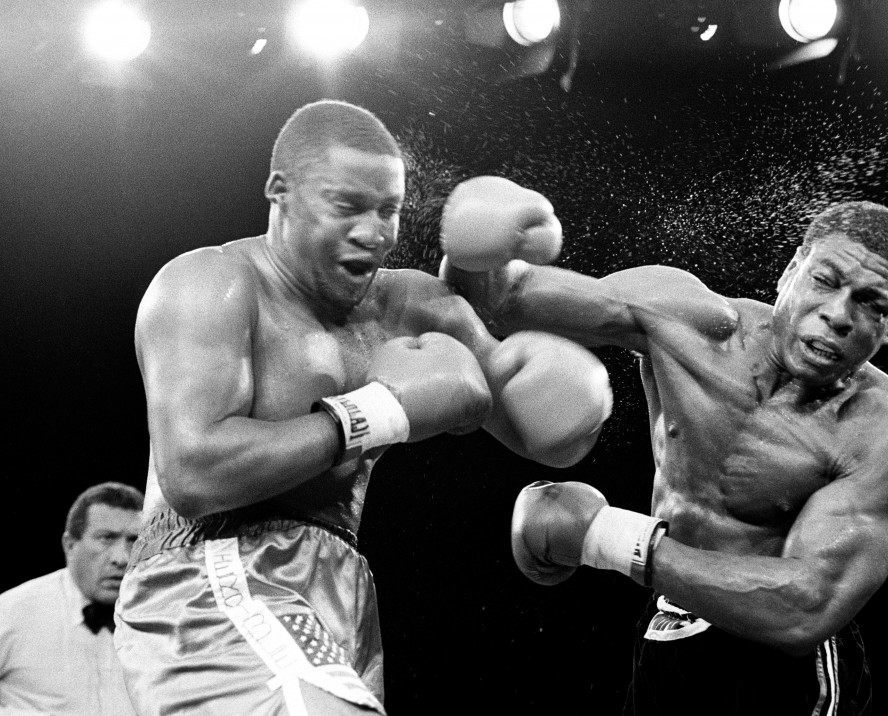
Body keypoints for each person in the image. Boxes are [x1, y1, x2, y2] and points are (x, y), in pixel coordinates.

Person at [115, 100, 612, 715]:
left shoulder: (409, 306)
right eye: (347, 206)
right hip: (214, 573)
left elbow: (548, 434)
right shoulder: (212, 283)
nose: (373, 232)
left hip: (340, 589)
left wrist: (491, 294)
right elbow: (195, 473)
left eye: (390, 210)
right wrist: (378, 411)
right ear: (280, 191)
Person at [440, 177, 888, 715]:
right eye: (825, 280)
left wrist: (603, 536)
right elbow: (500, 302)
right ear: (791, 271)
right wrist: (472, 252)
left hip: (785, 669)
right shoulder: (692, 323)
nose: (838, 315)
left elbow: (804, 608)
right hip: (667, 625)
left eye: (869, 304)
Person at [0, 481, 143, 715]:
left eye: (134, 540)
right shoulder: (12, 612)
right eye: (106, 538)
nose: (122, 558)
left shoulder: (165, 618)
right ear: (70, 544)